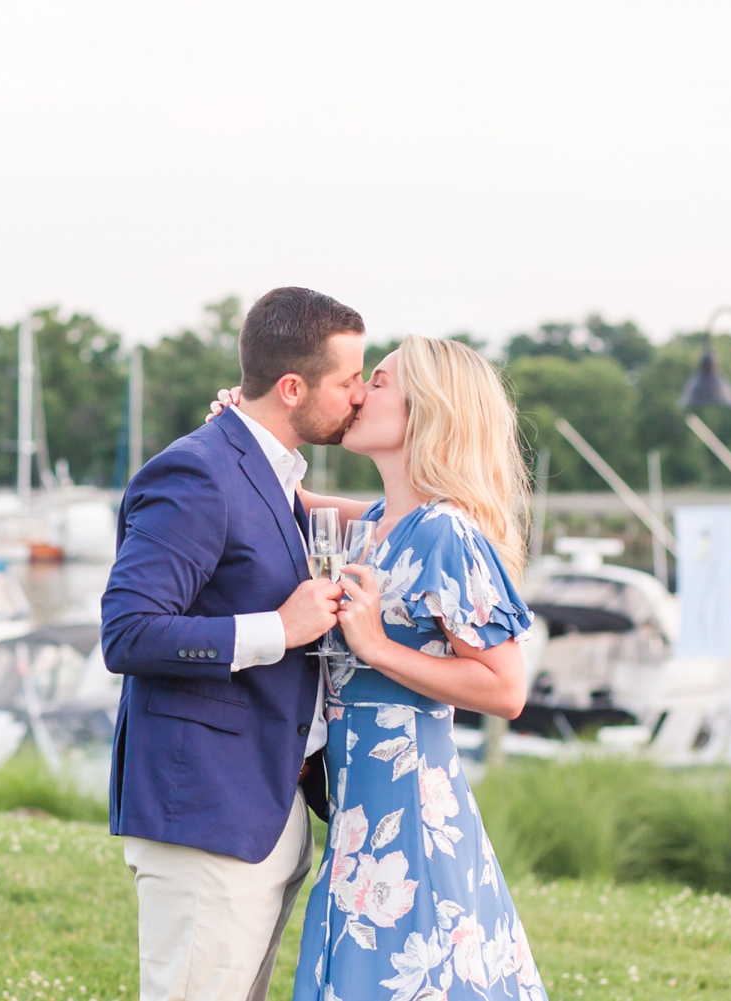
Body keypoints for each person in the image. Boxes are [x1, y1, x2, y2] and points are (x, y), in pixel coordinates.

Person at [212, 336, 545, 1001]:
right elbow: (295, 501)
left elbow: (507, 688)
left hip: (412, 812)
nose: (359, 391)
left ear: (429, 410)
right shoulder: (374, 526)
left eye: (381, 381)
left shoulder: (446, 532)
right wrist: (245, 425)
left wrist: (380, 648)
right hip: (358, 810)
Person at [101, 286, 368, 1001]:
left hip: (264, 809)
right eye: (347, 381)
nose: (358, 397)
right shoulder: (197, 472)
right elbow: (128, 631)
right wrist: (280, 629)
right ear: (291, 387)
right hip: (206, 817)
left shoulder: (275, 476)